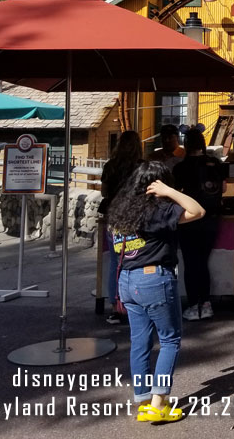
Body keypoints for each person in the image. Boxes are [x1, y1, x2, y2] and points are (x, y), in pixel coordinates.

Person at [108, 160, 205, 423]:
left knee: (139, 342)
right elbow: (197, 211)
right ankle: (159, 403)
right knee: (170, 340)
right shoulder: (158, 210)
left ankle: (143, 400)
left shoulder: (122, 209)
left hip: (126, 282)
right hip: (153, 279)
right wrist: (170, 192)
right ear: (158, 183)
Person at [172, 128, 223, 321]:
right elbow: (224, 187)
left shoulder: (180, 168)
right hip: (212, 218)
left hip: (188, 219)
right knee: (203, 261)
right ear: (202, 144)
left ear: (186, 144)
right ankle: (206, 303)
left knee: (191, 263)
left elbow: (175, 193)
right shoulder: (216, 164)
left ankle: (194, 305)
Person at [100, 130, 143, 325]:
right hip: (135, 218)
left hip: (113, 218)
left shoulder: (111, 166)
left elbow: (104, 191)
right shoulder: (141, 167)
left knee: (115, 264)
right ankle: (134, 304)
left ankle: (115, 307)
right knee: (135, 262)